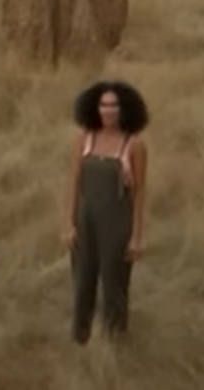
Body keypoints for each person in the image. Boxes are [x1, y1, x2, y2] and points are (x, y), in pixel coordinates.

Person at [63, 79, 151, 344]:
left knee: (115, 284)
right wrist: (68, 223)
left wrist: (137, 236)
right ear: (94, 108)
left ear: (124, 110)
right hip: (85, 220)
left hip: (117, 222)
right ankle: (80, 340)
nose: (108, 111)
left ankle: (115, 343)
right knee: (82, 281)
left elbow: (140, 194)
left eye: (114, 106)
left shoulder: (133, 145)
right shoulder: (84, 140)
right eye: (103, 105)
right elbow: (73, 182)